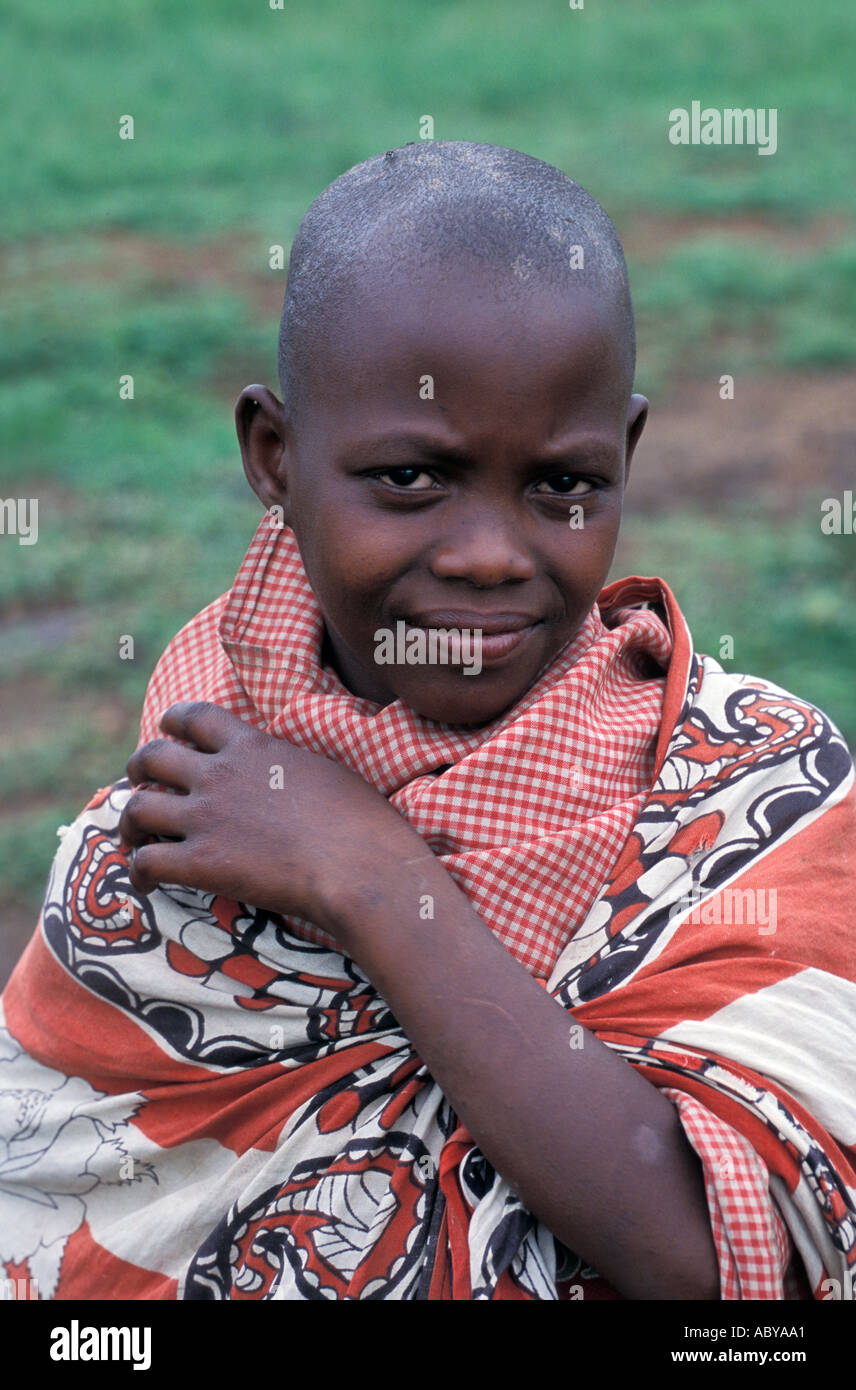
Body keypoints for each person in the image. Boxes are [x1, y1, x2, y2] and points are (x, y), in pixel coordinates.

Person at [1, 141, 854, 1302]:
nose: (491, 555)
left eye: (563, 486)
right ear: (275, 457)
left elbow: (724, 1265)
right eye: (411, 479)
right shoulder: (177, 817)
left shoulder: (754, 793)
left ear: (627, 458)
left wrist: (370, 877)